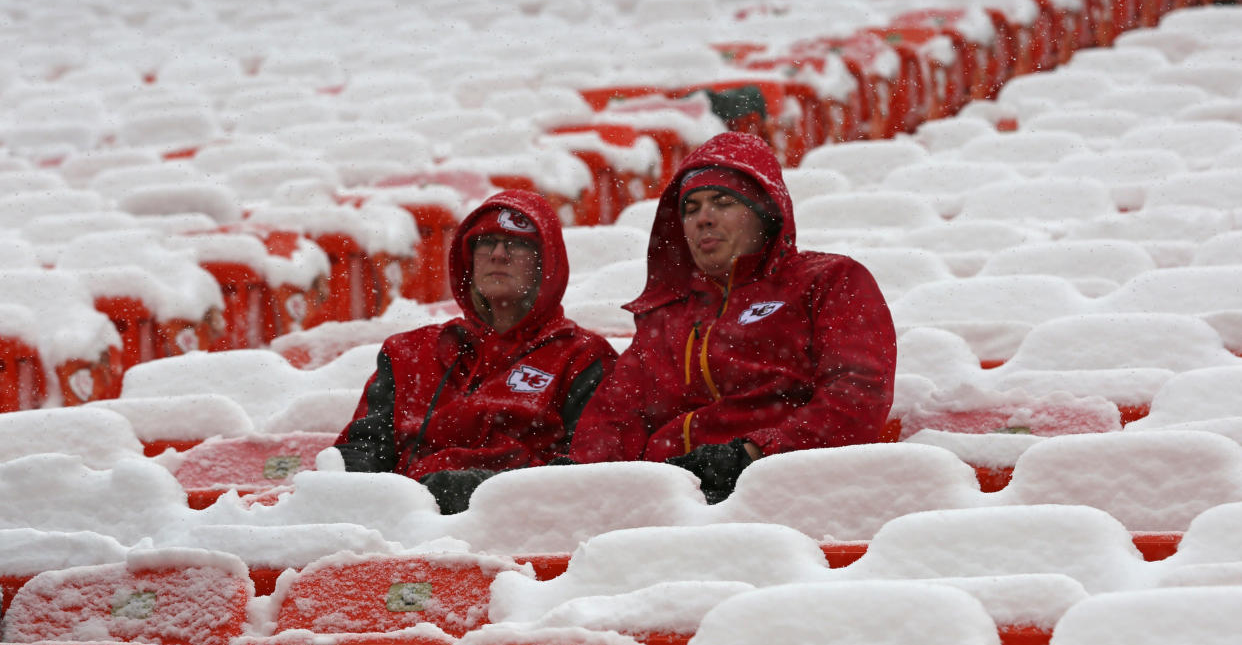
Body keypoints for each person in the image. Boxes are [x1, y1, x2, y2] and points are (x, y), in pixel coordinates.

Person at [567, 132, 896, 503]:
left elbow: (857, 396)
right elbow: (616, 414)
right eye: (690, 209)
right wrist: (585, 474)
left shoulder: (829, 281)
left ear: (765, 213)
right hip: (665, 499)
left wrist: (753, 455)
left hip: (786, 490)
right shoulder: (668, 314)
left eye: (722, 203)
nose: (704, 219)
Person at [334, 190, 617, 513]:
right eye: (485, 242)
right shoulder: (408, 352)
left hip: (513, 529)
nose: (498, 254)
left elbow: (588, 471)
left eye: (517, 243)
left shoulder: (584, 357)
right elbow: (362, 450)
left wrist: (476, 490)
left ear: (546, 263)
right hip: (403, 526)